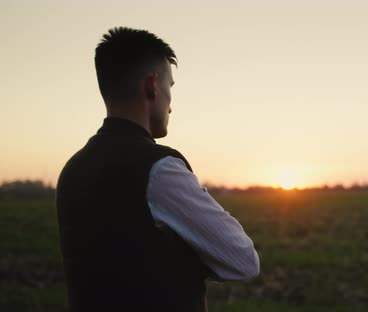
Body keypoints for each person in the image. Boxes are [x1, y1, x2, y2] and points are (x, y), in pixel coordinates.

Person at [56, 27, 259, 312]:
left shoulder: (73, 169)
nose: (171, 105)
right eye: (170, 87)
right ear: (152, 86)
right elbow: (242, 260)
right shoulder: (159, 169)